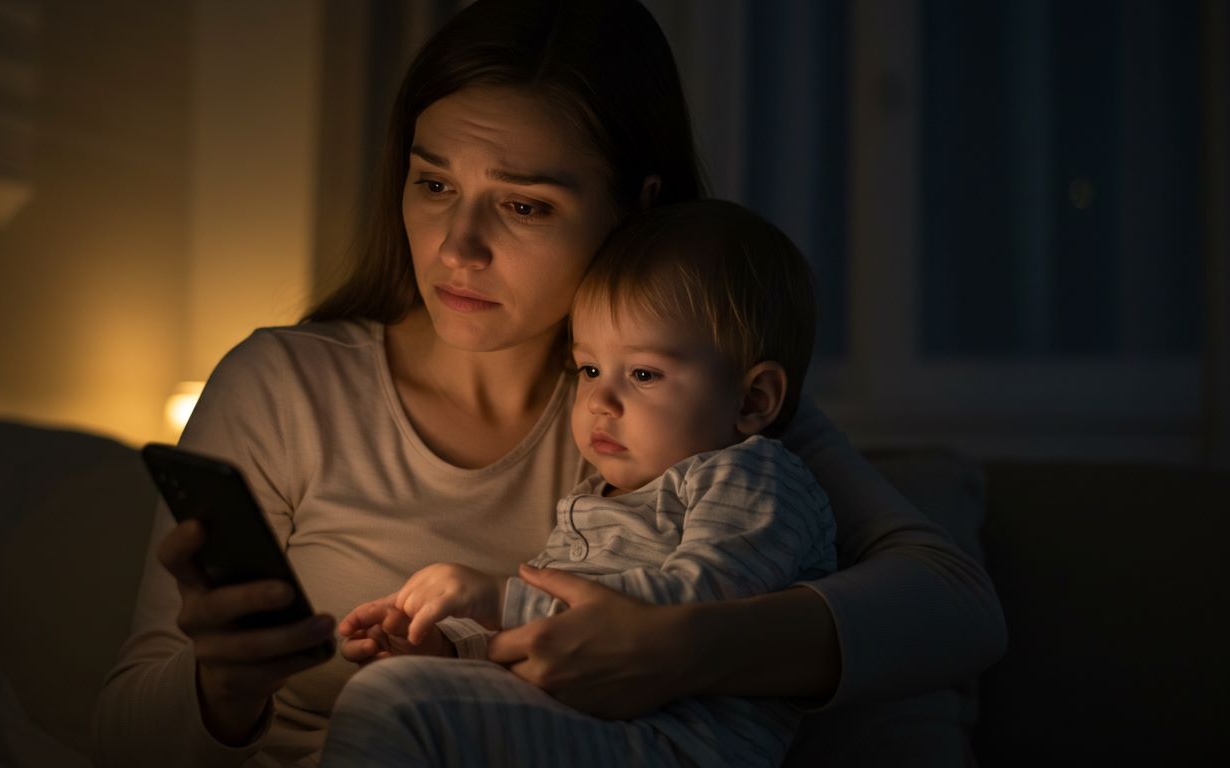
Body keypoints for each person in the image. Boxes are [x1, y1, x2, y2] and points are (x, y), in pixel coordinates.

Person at [91, 1, 1006, 767]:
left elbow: (956, 606)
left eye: (524, 205)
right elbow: (124, 729)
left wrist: (676, 649)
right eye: (433, 184)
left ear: (638, 206)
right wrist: (223, 687)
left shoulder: (684, 406)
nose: (457, 248)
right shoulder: (283, 388)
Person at [324, 199, 838, 767]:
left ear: (753, 399)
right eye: (589, 369)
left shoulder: (750, 477)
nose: (599, 400)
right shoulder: (594, 498)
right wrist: (446, 647)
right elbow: (550, 645)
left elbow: (692, 613)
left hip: (673, 742)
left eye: (643, 374)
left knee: (394, 706)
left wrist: (500, 599)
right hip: (588, 721)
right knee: (400, 691)